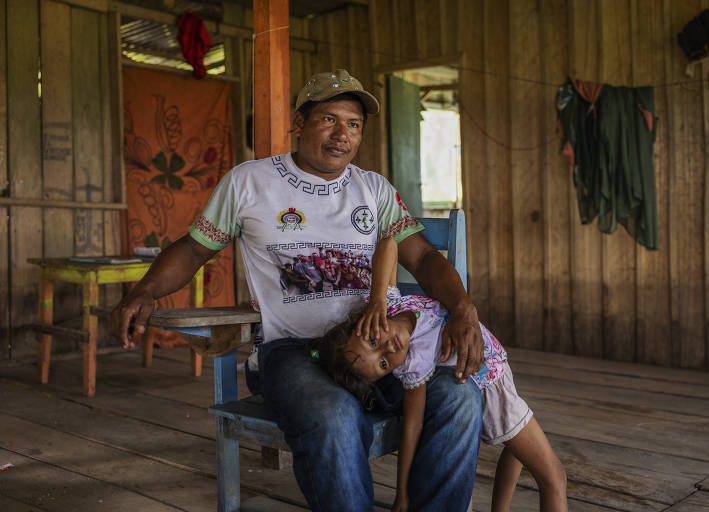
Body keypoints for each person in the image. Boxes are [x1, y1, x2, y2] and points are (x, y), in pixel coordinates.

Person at [111, 68, 486, 511]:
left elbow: (422, 259)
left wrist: (463, 309)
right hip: (294, 352)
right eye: (328, 119)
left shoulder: (374, 190)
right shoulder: (249, 182)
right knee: (334, 415)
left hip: (376, 349)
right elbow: (194, 250)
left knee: (460, 397)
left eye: (353, 125)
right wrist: (145, 290)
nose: (341, 135)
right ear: (298, 122)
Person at [309, 237, 568, 512]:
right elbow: (413, 427)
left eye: (373, 341)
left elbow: (389, 244)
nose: (388, 349)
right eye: (384, 364)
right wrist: (403, 494)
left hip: (500, 373)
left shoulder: (389, 303)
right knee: (554, 477)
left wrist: (377, 299)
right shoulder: (413, 365)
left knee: (517, 453)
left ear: (362, 321)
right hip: (491, 389)